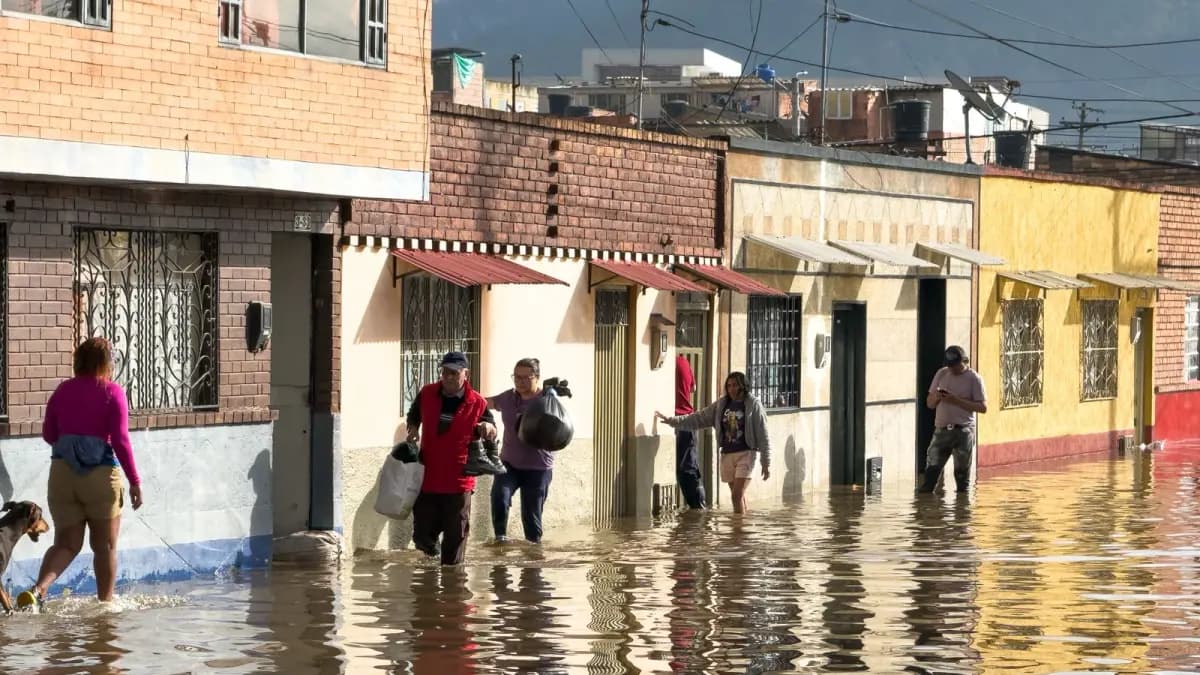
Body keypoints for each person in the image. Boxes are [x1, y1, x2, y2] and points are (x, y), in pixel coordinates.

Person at [19, 337, 144, 609]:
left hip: (62, 475)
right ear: (106, 363)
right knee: (105, 547)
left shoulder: (62, 391)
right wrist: (134, 481)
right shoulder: (113, 392)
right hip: (100, 477)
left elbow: (49, 434)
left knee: (65, 544)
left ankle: (38, 592)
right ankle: (105, 608)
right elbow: (121, 441)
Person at [405, 351, 497, 565]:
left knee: (455, 540)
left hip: (459, 481)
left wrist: (488, 427)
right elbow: (414, 412)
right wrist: (413, 427)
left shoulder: (477, 402)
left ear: (465, 373)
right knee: (421, 536)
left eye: (454, 373)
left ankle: (453, 588)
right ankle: (431, 570)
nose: (448, 377)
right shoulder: (427, 393)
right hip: (428, 477)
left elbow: (492, 429)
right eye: (445, 371)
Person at [656, 372, 770, 514]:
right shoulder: (721, 405)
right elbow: (698, 418)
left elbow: (763, 435)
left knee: (736, 496)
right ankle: (742, 529)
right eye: (729, 386)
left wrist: (766, 463)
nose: (732, 389)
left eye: (735, 385)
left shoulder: (753, 405)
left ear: (743, 386)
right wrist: (672, 421)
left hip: (746, 454)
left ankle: (738, 533)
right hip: (727, 455)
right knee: (738, 497)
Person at [487, 358, 555, 544]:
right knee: (500, 497)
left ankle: (533, 558)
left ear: (537, 378)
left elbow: (560, 425)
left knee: (531, 516)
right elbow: (485, 403)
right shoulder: (508, 398)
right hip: (509, 463)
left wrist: (553, 395)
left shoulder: (547, 399)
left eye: (526, 377)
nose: (520, 381)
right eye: (517, 377)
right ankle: (500, 541)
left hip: (538, 468)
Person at [918, 346, 988, 494]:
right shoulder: (942, 373)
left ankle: (962, 512)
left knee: (962, 478)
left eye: (955, 365)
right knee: (930, 473)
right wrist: (937, 397)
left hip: (964, 431)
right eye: (949, 365)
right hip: (941, 430)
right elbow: (929, 404)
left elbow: (982, 407)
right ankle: (928, 511)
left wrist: (955, 400)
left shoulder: (974, 378)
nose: (952, 369)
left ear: (964, 361)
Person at [673, 354, 706, 510]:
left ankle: (697, 510)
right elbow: (693, 388)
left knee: (685, 470)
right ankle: (698, 510)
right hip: (686, 419)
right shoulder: (684, 362)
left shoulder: (669, 363)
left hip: (673, 419)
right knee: (689, 468)